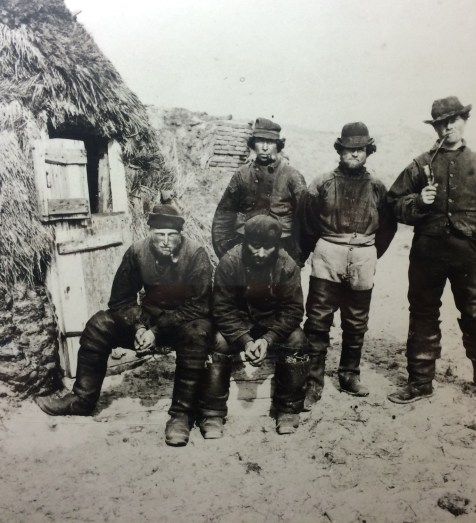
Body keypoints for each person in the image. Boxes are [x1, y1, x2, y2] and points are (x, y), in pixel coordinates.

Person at [36, 199, 213, 446]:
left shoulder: (196, 254)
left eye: (171, 235)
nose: (164, 240)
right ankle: (82, 399)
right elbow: (120, 300)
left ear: (180, 234)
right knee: (99, 324)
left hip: (182, 322)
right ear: (150, 232)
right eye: (159, 234)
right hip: (147, 320)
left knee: (199, 332)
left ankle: (182, 415)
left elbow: (200, 305)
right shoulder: (137, 251)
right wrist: (139, 326)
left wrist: (156, 330)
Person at [387, 96, 476, 404]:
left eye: (454, 120)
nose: (448, 126)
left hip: (468, 255)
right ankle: (420, 383)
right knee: (422, 313)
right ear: (435, 127)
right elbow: (394, 203)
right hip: (427, 253)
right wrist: (417, 202)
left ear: (464, 121)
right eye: (441, 122)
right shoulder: (420, 164)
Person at [301, 122, 396, 409]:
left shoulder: (378, 187)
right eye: (349, 150)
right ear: (340, 151)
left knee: (356, 322)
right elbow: (305, 222)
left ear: (368, 152)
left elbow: (388, 227)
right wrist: (317, 250)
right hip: (329, 252)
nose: (354, 155)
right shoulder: (322, 184)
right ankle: (312, 381)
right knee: (318, 321)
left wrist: (369, 253)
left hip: (364, 254)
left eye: (360, 150)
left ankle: (349, 375)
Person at [199, 215, 310, 438]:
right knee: (217, 340)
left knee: (297, 340)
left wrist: (268, 339)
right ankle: (212, 413)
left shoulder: (287, 266)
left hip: (273, 324)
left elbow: (293, 310)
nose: (260, 254)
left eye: (267, 248)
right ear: (245, 241)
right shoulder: (230, 262)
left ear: (277, 245)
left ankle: (288, 409)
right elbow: (222, 309)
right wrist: (245, 339)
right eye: (254, 246)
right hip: (238, 323)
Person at [211, 117, 307, 265]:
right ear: (253, 144)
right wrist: (225, 253)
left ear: (278, 145)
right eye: (260, 141)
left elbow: (305, 220)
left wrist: (298, 257)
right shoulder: (242, 174)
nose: (264, 147)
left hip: (282, 248)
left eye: (270, 142)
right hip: (246, 247)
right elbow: (223, 216)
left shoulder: (292, 176)